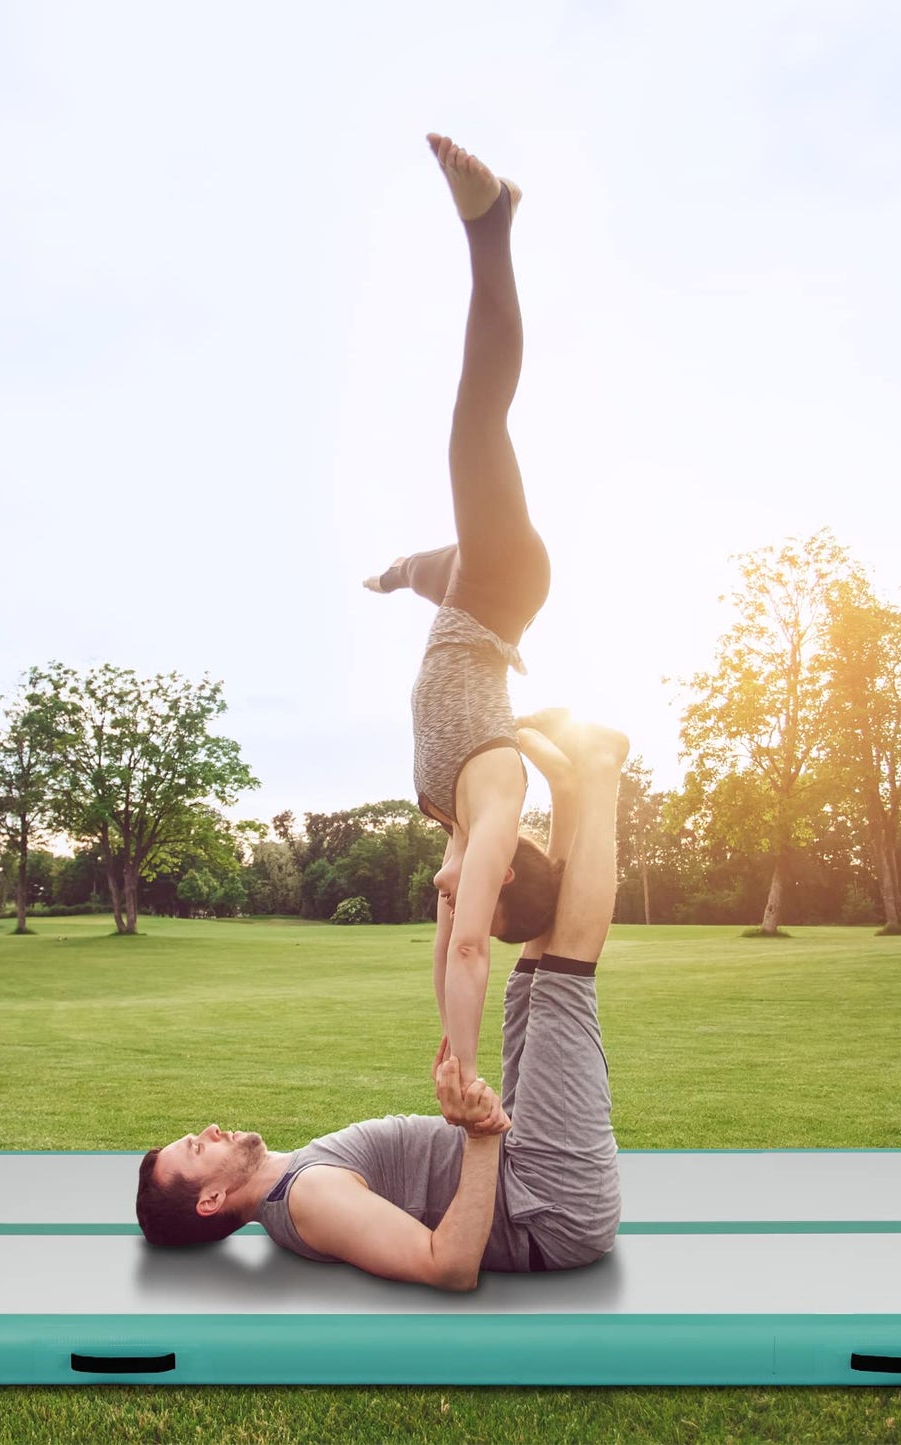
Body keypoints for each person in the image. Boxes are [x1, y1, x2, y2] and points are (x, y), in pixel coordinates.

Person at [135, 712, 629, 1289]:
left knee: (534, 980)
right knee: (564, 982)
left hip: (525, 1177)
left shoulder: (294, 1177)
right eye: (197, 1147)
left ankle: (571, 792)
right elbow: (448, 1267)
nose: (211, 1128)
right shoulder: (308, 1200)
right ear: (211, 1200)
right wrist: (480, 1134)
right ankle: (601, 777)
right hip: (549, 1209)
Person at [364, 134, 560, 1098]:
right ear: (503, 870)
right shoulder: (494, 808)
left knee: (430, 567)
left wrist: (440, 1042)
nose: (443, 897)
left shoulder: (453, 827)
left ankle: (404, 568)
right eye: (469, 884)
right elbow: (475, 940)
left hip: (470, 592)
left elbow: (448, 943)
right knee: (476, 423)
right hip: (497, 591)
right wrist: (474, 1068)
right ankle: (495, 223)